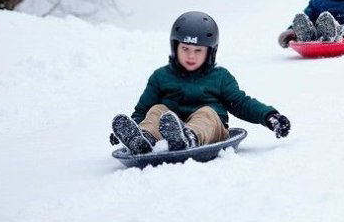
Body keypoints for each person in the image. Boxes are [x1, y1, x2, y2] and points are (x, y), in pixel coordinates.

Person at [110, 11, 290, 154]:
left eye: (198, 50)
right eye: (185, 48)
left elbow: (241, 103)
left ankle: (188, 137)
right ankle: (142, 139)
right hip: (168, 127)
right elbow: (143, 110)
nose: (191, 55)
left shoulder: (220, 77)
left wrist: (269, 116)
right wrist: (130, 128)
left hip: (211, 130)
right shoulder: (160, 76)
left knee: (207, 113)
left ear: (210, 52)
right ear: (175, 47)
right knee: (157, 111)